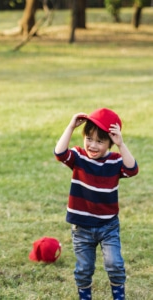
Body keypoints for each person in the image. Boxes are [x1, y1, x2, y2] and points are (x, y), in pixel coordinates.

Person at [54, 108, 138, 300]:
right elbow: (59, 153)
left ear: (110, 143)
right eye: (89, 138)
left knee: (114, 263)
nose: (92, 145)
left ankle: (118, 296)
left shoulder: (116, 162)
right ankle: (85, 296)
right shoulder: (79, 157)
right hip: (81, 228)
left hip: (108, 226)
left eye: (100, 141)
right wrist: (70, 126)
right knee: (84, 268)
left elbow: (132, 170)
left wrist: (121, 144)